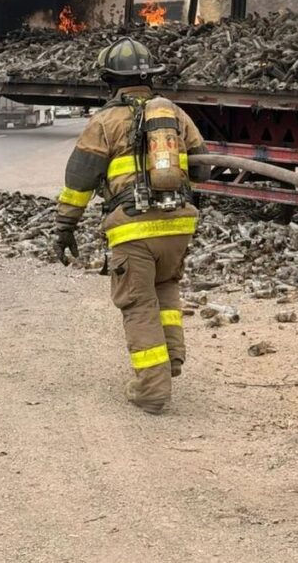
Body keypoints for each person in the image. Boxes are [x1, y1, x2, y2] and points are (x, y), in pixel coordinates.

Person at [54, 37, 210, 414]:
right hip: (179, 224)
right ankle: (170, 361)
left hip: (133, 229)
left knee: (138, 301)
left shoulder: (105, 121)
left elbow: (79, 181)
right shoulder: (174, 114)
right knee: (166, 287)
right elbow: (203, 167)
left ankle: (152, 390)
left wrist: (64, 228)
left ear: (109, 80)